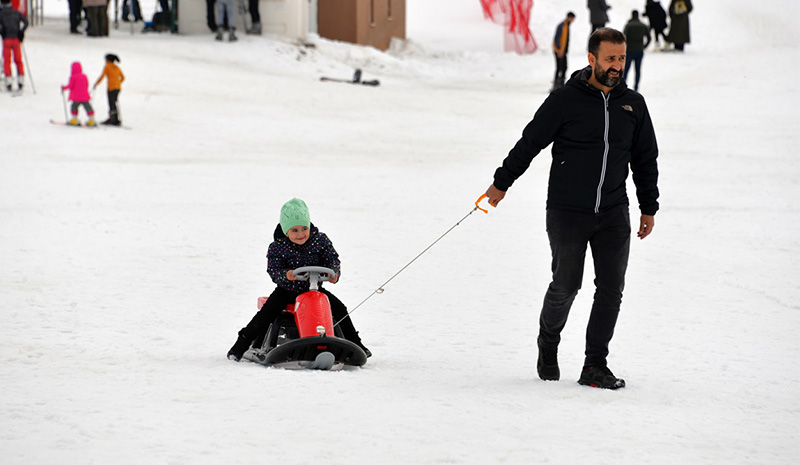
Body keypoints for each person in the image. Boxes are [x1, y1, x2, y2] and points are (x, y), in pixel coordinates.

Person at [484, 28, 659, 390]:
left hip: (613, 211)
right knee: (566, 285)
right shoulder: (565, 100)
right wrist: (502, 182)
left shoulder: (633, 104)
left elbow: (645, 159)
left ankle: (595, 364)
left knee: (611, 288)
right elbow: (530, 142)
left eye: (622, 58)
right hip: (567, 211)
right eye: (610, 59)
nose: (617, 66)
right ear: (592, 58)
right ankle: (548, 343)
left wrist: (648, 206)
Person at [227, 198, 371, 362]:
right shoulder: (278, 247)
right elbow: (273, 269)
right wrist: (285, 275)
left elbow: (332, 258)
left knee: (339, 309)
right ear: (285, 230)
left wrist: (334, 274)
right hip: (286, 291)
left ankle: (356, 344)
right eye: (294, 230)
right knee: (266, 314)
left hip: (315, 289)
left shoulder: (320, 240)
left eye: (304, 228)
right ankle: (240, 345)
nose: (301, 234)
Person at [0, 0, 27, 92]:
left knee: (7, 61)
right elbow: (26, 22)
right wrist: (21, 32)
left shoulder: (2, 14)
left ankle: (8, 81)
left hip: (7, 39)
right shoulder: (16, 13)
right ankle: (21, 79)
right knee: (18, 60)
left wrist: (2, 32)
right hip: (16, 39)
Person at [93, 53, 124, 126]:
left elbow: (102, 76)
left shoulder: (107, 66)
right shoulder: (117, 67)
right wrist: (118, 83)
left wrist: (96, 84)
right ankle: (115, 118)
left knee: (111, 103)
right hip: (118, 88)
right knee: (114, 103)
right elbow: (123, 78)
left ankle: (112, 119)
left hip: (111, 88)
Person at [61, 62, 96, 126]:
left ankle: (74, 119)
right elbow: (87, 84)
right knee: (87, 106)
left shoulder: (73, 77)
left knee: (74, 107)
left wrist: (63, 88)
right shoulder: (84, 76)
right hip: (84, 96)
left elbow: (70, 86)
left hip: (76, 96)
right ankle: (91, 119)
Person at [623, 10, 650, 91]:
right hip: (639, 50)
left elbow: (623, 38)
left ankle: (623, 86)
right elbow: (649, 37)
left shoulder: (628, 26)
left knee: (626, 69)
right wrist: (644, 46)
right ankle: (636, 87)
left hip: (630, 50)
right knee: (637, 70)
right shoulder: (643, 25)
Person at [551, 12, 575, 92]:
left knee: (564, 67)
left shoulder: (567, 25)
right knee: (559, 67)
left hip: (563, 50)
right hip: (559, 50)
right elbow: (556, 38)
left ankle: (561, 84)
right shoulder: (561, 26)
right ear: (569, 17)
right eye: (572, 18)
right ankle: (556, 85)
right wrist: (559, 50)